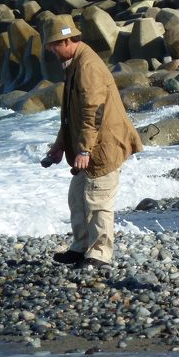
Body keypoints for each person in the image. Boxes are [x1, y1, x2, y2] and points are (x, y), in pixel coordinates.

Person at [42, 15, 143, 271]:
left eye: (53, 44)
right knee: (77, 197)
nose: (51, 50)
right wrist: (60, 146)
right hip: (88, 145)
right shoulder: (75, 63)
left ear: (67, 40)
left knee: (98, 202)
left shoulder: (87, 67)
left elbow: (93, 112)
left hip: (103, 146)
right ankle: (81, 247)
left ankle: (99, 255)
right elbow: (70, 114)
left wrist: (84, 149)